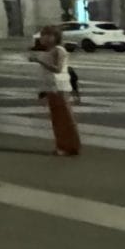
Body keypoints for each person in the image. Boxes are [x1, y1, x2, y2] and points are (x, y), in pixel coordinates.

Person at [26, 26, 81, 156]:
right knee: (57, 119)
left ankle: (71, 146)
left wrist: (39, 61)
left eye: (47, 35)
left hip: (59, 87)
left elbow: (58, 69)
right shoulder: (49, 50)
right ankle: (62, 146)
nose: (43, 38)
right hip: (51, 87)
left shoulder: (59, 50)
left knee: (65, 118)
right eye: (42, 35)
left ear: (55, 37)